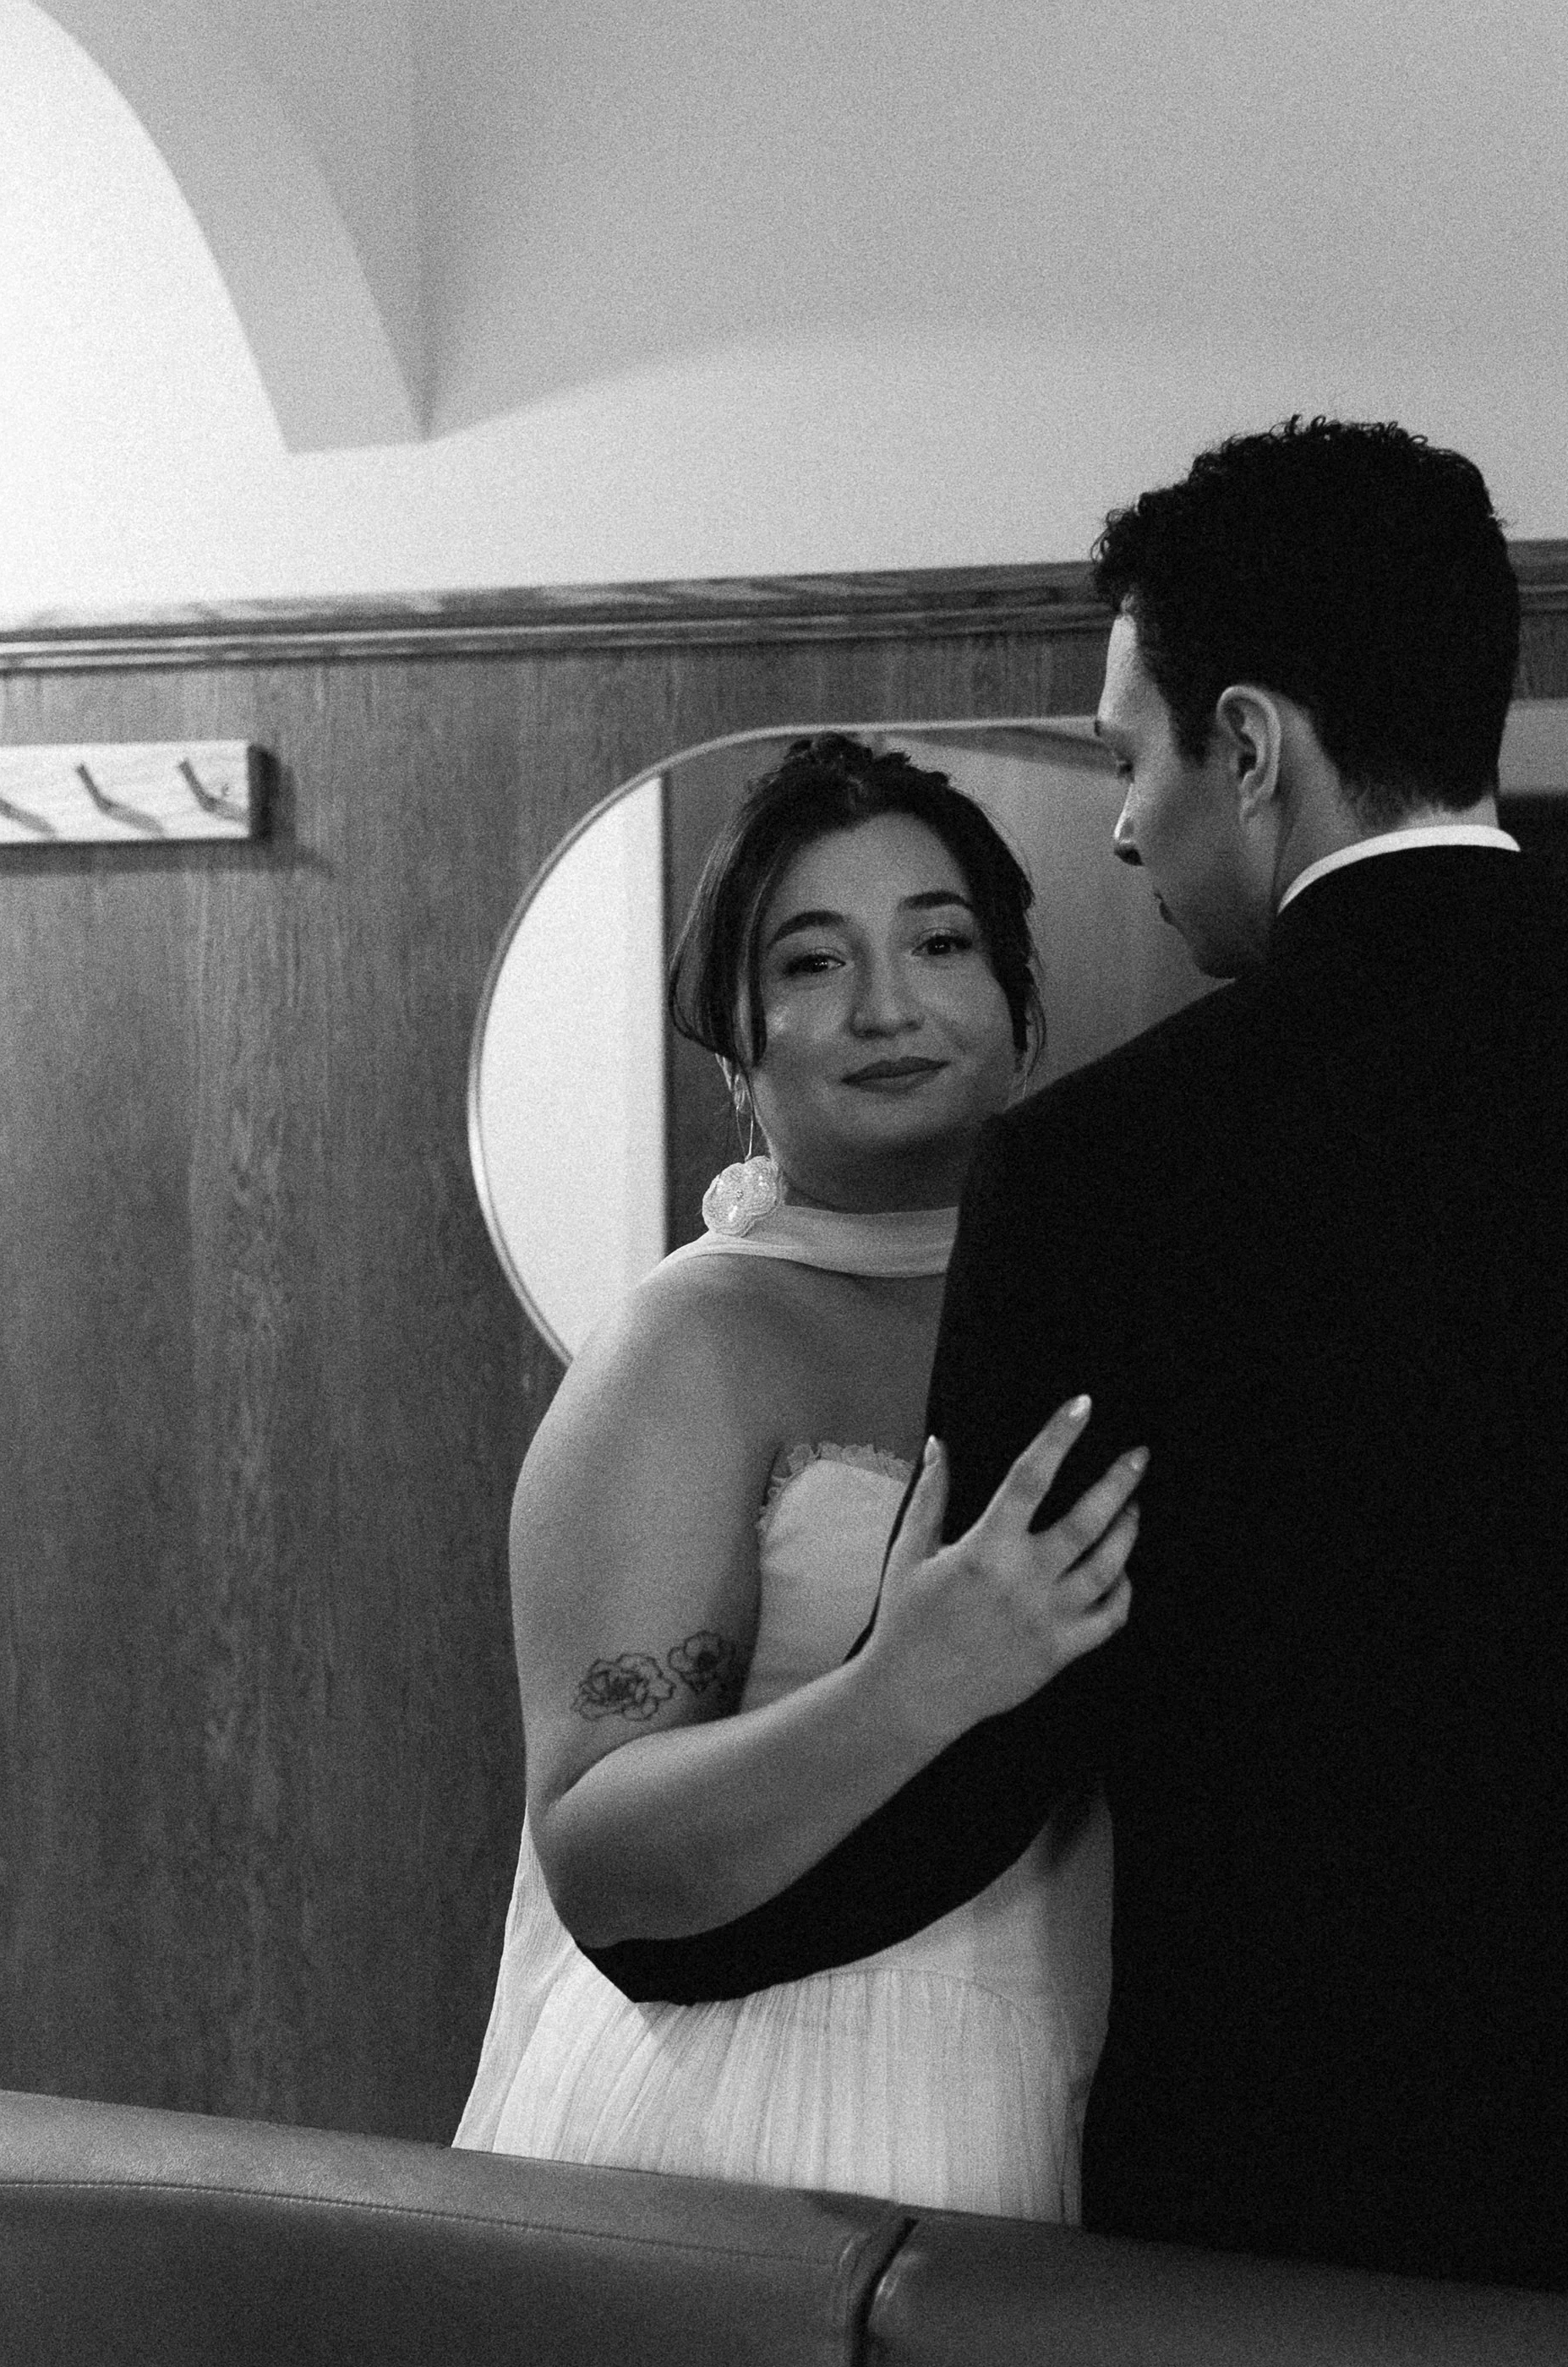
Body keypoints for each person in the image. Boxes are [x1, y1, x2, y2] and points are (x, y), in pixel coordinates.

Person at [591, 418, 1568, 2337]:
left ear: (1248, 745)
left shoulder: (1110, 1169)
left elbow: (987, 1763)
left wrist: (660, 1936)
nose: (1119, 821)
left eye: (1129, 752)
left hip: (1298, 2257)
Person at [456, 733, 1145, 2217]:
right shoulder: (690, 1343)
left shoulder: (1124, 1287)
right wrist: (909, 1682)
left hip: (1080, 2075)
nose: (888, 1006)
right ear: (739, 1042)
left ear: (1020, 1006)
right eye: (814, 963)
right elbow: (599, 1851)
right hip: (761, 2093)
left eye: (940, 943)